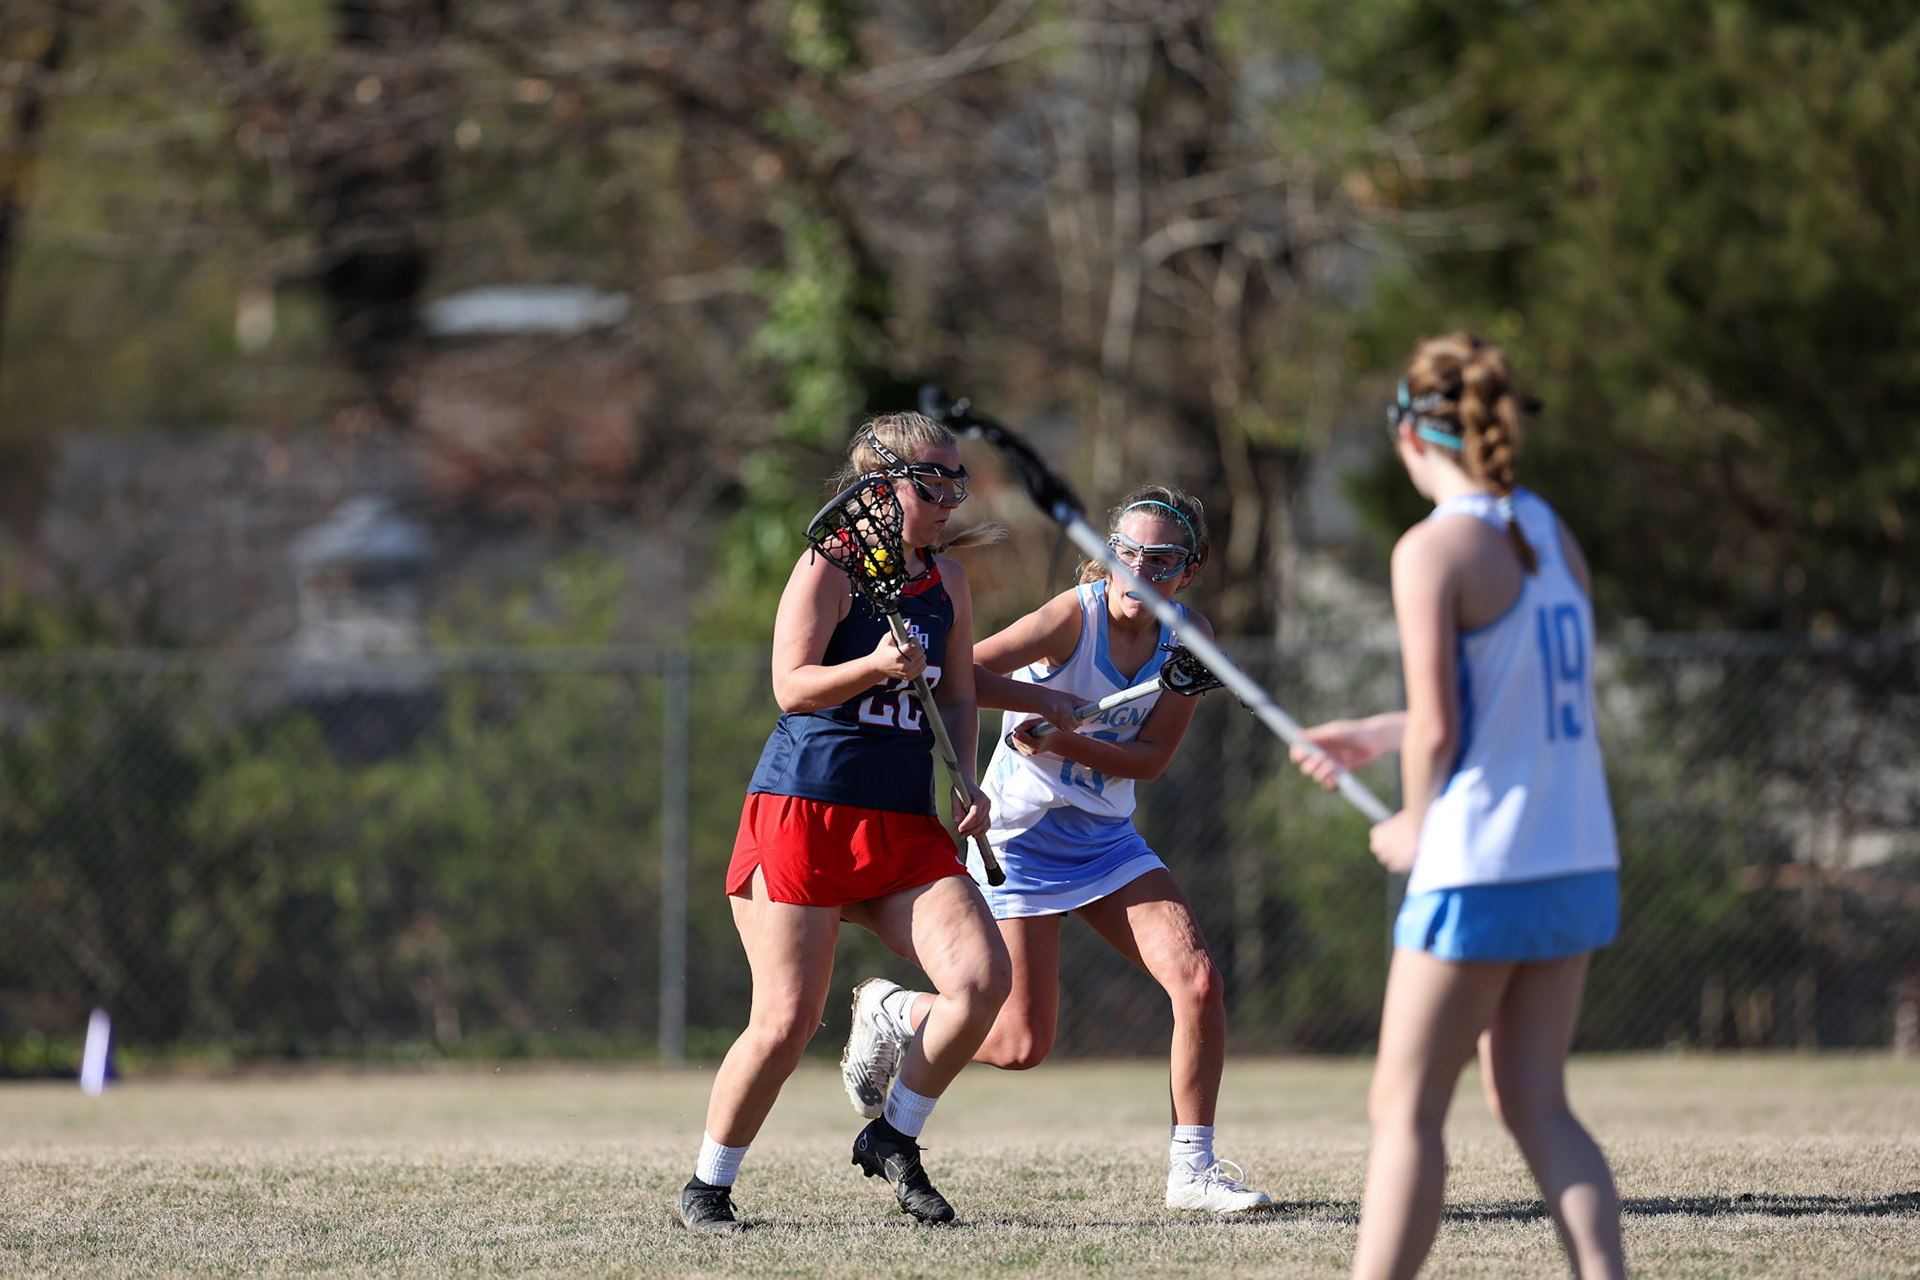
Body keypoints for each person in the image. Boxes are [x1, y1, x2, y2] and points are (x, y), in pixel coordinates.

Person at [839, 486, 1275, 1215]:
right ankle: (895, 1012)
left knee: (1198, 983)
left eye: (1160, 561)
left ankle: (1192, 1172)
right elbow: (957, 670)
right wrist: (1035, 702)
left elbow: (1152, 759)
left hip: (1106, 840)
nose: (1138, 573)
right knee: (1018, 1043)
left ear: (1187, 572)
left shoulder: (1186, 637)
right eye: (1124, 555)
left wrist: (1065, 739)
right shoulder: (1075, 616)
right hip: (1021, 842)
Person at [1291, 333, 1626, 1279]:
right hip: (1576, 854)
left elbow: (1445, 726)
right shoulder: (1548, 531)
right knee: (1537, 1103)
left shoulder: (1432, 548)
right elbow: (1513, 705)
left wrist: (1413, 819)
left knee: (1405, 1112)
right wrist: (1377, 730)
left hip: (1481, 864)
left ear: (1408, 435)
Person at [673, 411, 1012, 1233]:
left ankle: (893, 1136)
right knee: (785, 1023)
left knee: (981, 982)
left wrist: (966, 776)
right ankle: (707, 1188)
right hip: (805, 814)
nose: (949, 496)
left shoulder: (948, 583)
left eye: (955, 478)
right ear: (879, 485)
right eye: (932, 479)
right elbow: (791, 686)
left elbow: (961, 694)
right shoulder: (830, 565)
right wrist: (870, 666)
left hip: (901, 822)